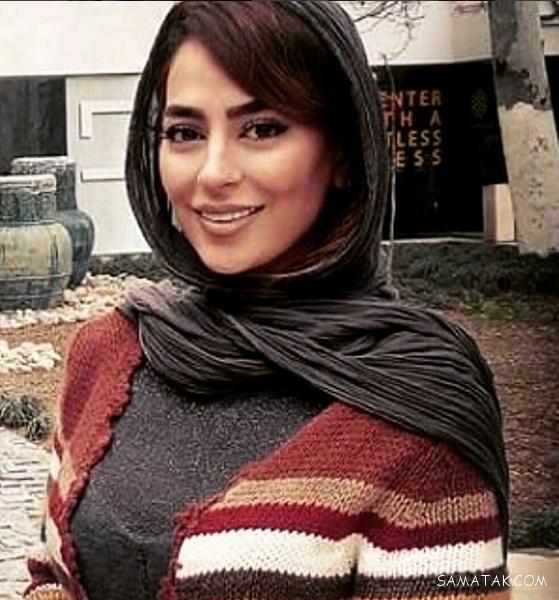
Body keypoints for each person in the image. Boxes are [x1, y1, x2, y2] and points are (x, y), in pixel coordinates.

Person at [25, 1, 510, 599]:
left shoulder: (415, 409)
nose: (213, 172)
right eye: (185, 133)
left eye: (262, 129)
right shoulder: (108, 352)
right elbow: (51, 576)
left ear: (343, 154)